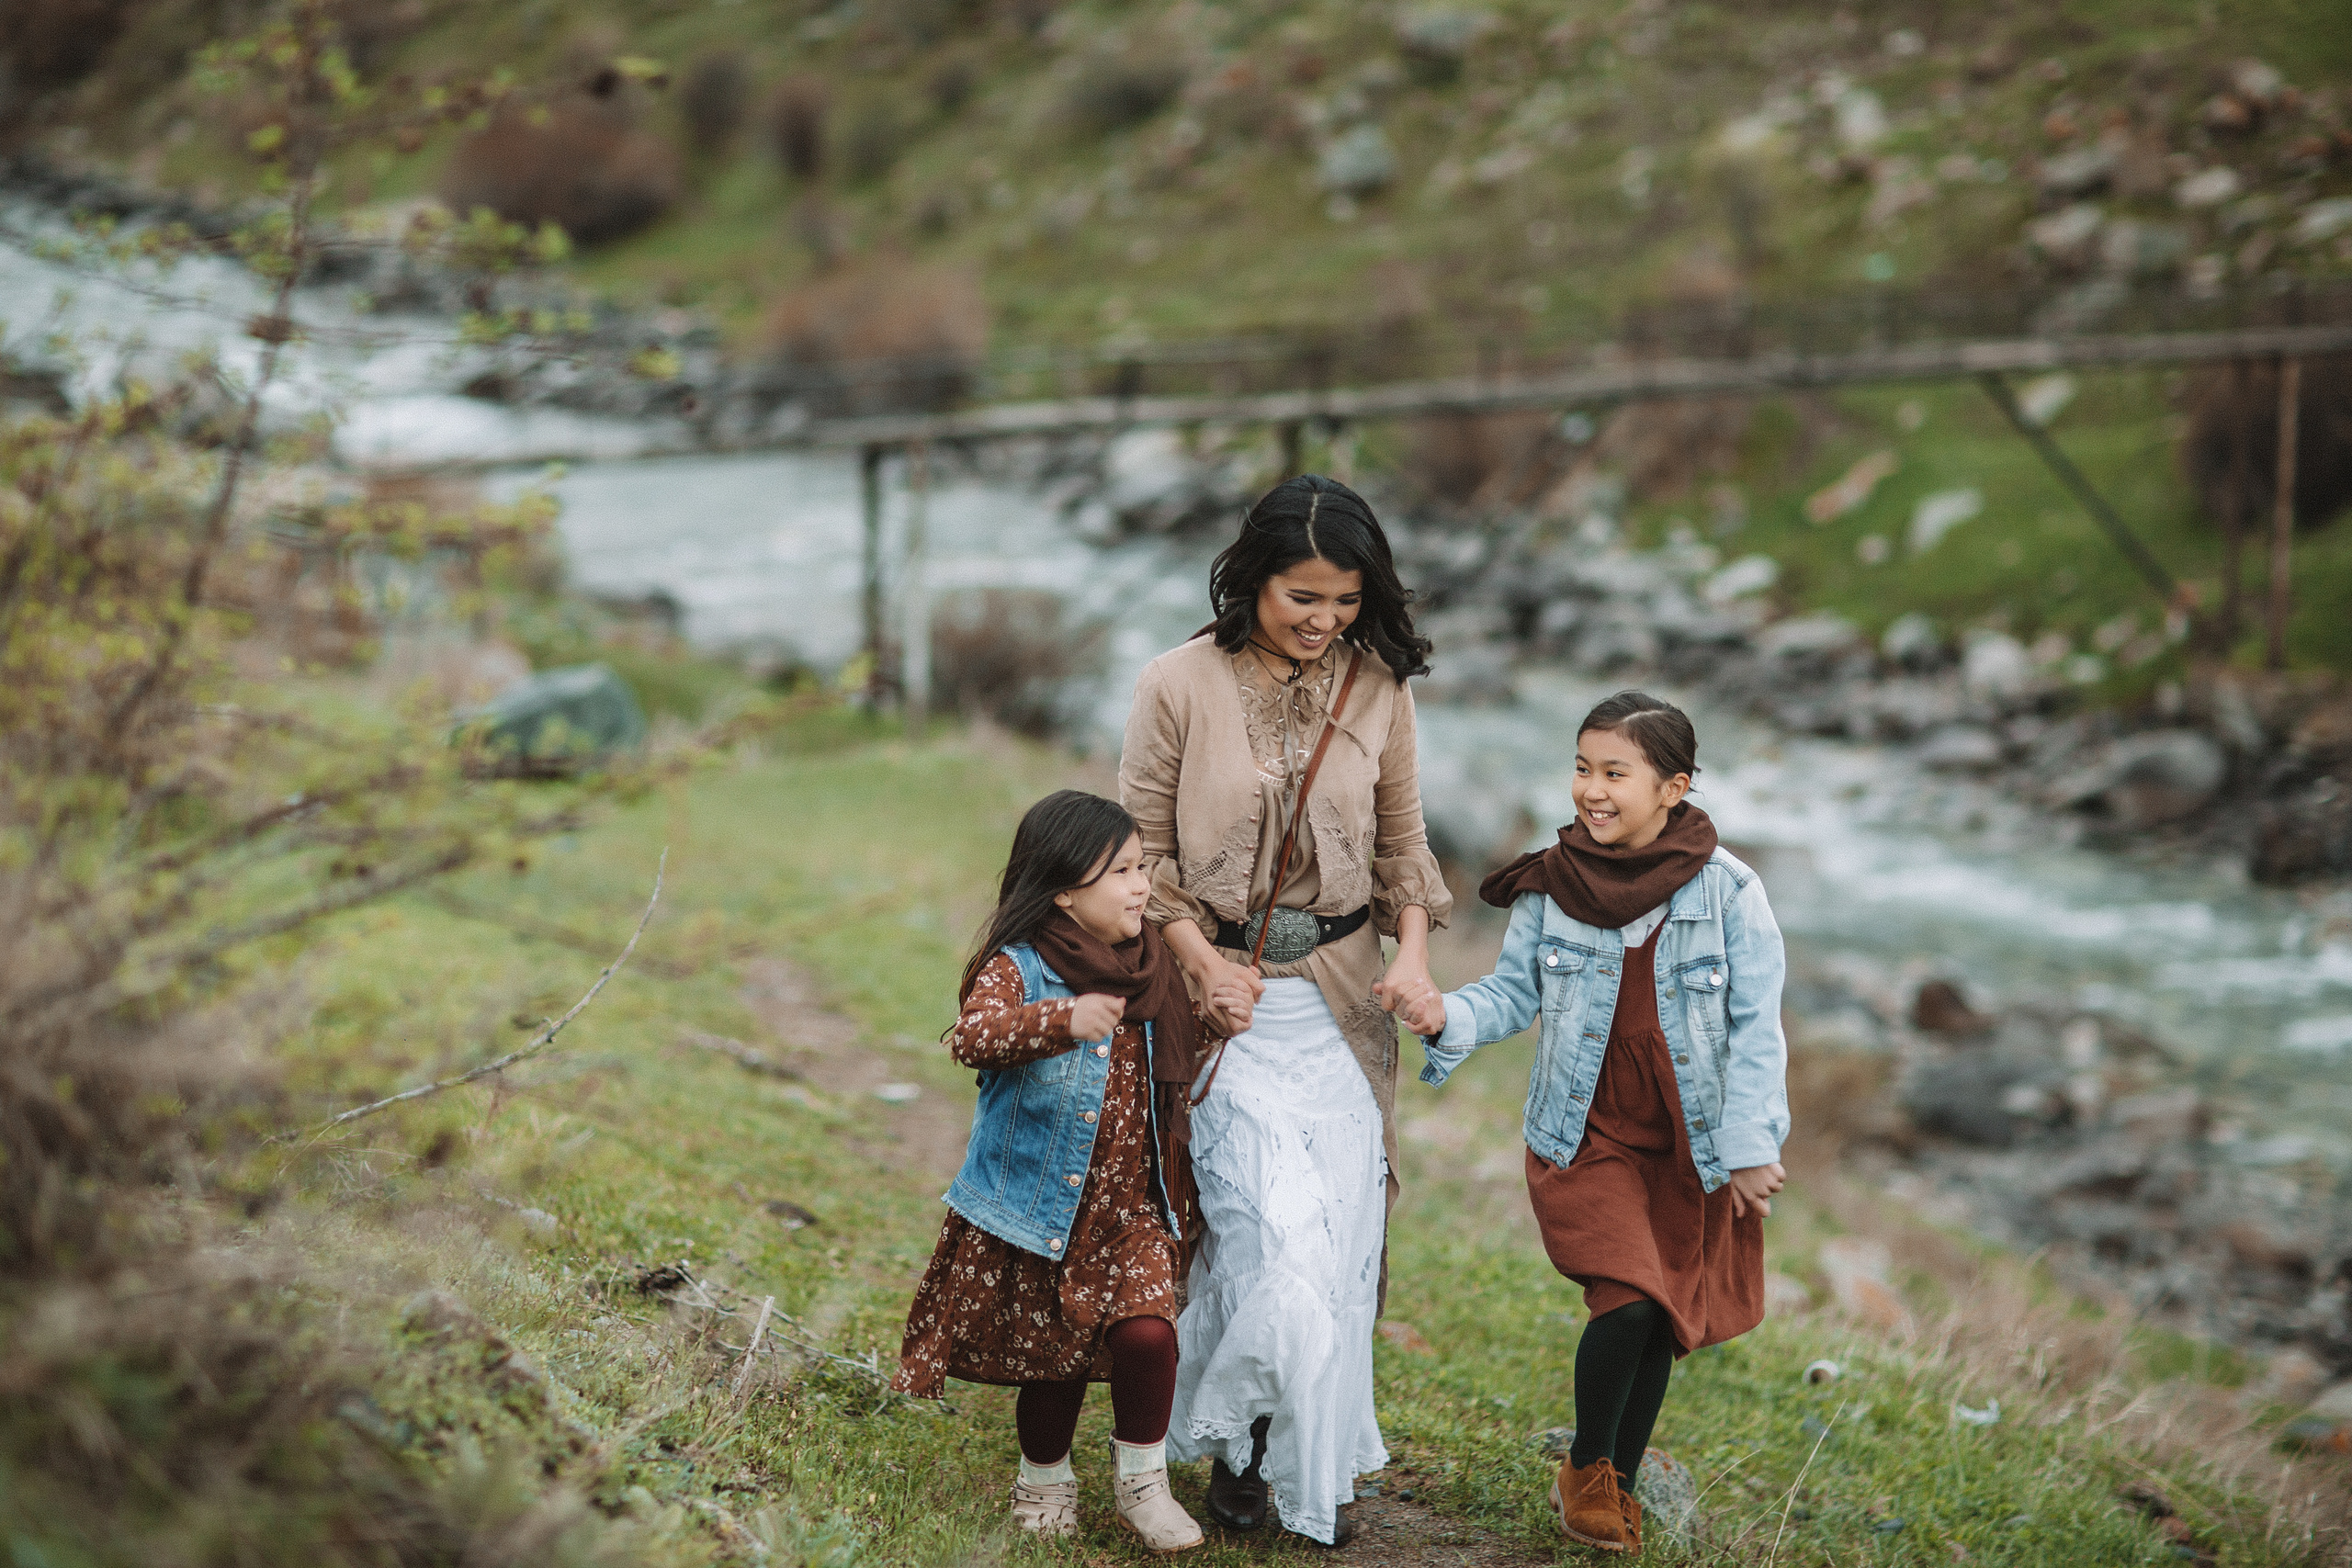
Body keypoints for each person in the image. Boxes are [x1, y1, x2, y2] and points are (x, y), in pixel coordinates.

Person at [1118, 474, 1452, 1547]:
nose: (1324, 622)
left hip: (1346, 1004)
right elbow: (1142, 855)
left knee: (1340, 1240)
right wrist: (1198, 966)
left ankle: (1270, 1456)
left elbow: (1404, 848)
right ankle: (1236, 1441)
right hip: (1223, 1002)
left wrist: (1411, 961)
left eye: (1345, 602)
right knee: (1266, 1234)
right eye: (1302, 598)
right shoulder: (1176, 683)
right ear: (1251, 579)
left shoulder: (1380, 691)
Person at [1391, 691, 1790, 1556]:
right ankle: (1584, 1465)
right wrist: (1445, 1017)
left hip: (1690, 1147)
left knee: (1661, 1313)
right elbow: (1513, 994)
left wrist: (1755, 1147)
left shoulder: (1730, 893)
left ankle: (1620, 1479)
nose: (1591, 790)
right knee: (1631, 1293)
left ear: (1674, 787)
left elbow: (1760, 1027)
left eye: (1616, 772)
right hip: (1584, 1135)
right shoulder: (1553, 882)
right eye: (1581, 768)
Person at [892, 789, 1209, 1552]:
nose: (1141, 886)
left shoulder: (1150, 963)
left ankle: (1143, 1480)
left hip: (1133, 1202)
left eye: (1143, 867)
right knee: (1052, 1356)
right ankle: (1044, 1476)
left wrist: (1218, 1008)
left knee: (1147, 1333)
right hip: (1043, 1208)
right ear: (1065, 889)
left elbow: (1180, 1049)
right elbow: (973, 1036)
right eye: (1122, 872)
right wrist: (1058, 1020)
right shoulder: (1021, 966)